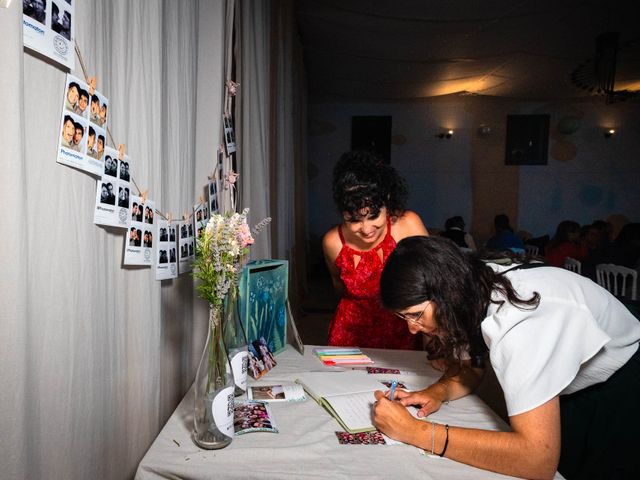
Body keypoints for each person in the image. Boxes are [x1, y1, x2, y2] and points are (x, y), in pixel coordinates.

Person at [373, 236, 640, 480]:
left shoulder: (521, 321)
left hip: (624, 385)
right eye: (403, 317)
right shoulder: (468, 286)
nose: (411, 328)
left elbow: (537, 459)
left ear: (445, 294)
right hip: (575, 383)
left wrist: (417, 433)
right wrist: (438, 391)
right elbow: (472, 368)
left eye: (415, 315)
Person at [322, 151, 429, 350]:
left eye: (373, 216)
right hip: (349, 332)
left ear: (387, 201)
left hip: (401, 330)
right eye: (354, 220)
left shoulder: (408, 225)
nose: (366, 228)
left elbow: (434, 283)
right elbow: (338, 286)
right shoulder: (332, 241)